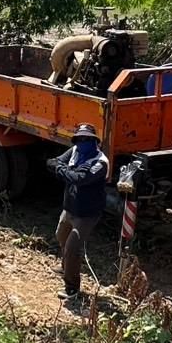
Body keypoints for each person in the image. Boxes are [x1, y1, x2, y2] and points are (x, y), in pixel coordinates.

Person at [47, 124, 110, 300]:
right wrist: (66, 171)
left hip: (86, 214)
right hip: (69, 208)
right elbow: (52, 162)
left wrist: (62, 170)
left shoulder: (100, 162)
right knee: (61, 236)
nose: (83, 142)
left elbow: (80, 179)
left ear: (95, 141)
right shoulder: (75, 150)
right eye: (80, 139)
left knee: (72, 248)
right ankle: (66, 267)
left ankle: (72, 288)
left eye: (87, 139)